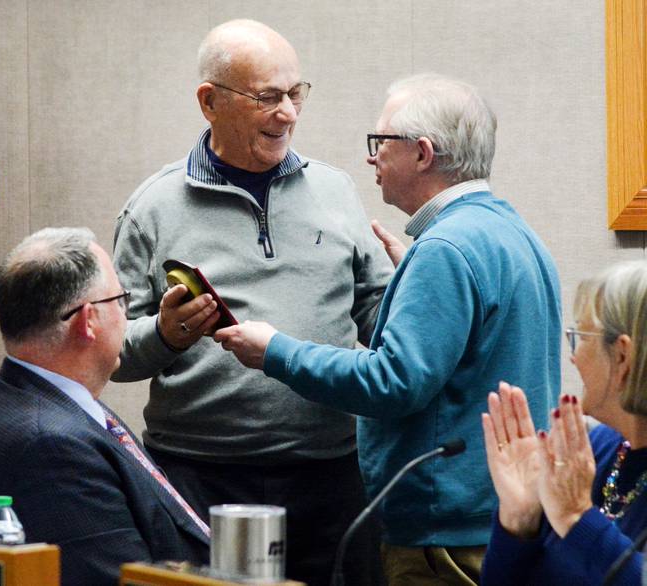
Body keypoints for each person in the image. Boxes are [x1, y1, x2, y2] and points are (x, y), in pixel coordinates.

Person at [215, 73, 562, 585]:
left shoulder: (446, 249)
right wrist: (414, 284)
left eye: (381, 143)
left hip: (443, 538)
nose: (371, 157)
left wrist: (275, 352)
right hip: (501, 516)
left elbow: (392, 383)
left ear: (423, 153)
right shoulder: (508, 229)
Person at [111, 19, 391, 586]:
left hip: (332, 477)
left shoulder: (336, 191)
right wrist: (165, 335)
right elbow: (112, 353)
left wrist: (422, 281)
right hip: (199, 478)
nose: (288, 112)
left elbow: (381, 316)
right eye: (267, 97)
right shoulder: (153, 207)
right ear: (209, 102)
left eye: (296, 93)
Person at [0, 228, 209, 586]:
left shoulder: (46, 398)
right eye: (121, 300)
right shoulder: (48, 445)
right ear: (88, 321)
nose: (126, 315)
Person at [481, 261, 647, 585]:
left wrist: (576, 518)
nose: (573, 356)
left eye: (579, 337)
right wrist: (519, 520)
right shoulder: (597, 448)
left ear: (622, 356)